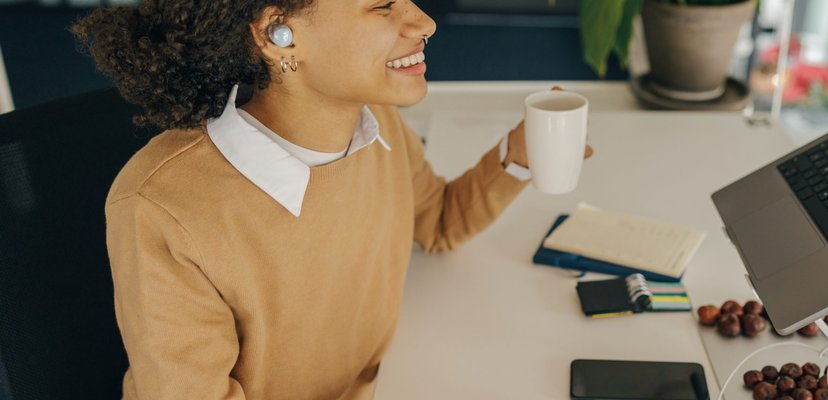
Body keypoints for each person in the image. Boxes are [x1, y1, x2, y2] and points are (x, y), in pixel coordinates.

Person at [73, 0, 589, 398]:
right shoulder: (161, 207)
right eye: (383, 4)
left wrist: (519, 156)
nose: (425, 21)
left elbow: (437, 222)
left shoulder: (375, 121)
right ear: (278, 33)